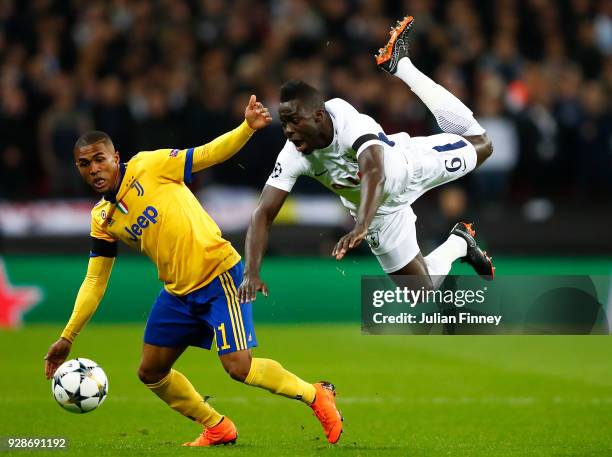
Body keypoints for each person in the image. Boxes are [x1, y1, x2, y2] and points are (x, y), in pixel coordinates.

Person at [43, 95, 343, 446]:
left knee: (239, 368)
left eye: (99, 159)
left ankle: (316, 394)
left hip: (218, 275)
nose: (94, 169)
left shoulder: (150, 166)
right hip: (177, 293)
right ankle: (216, 426)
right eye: (84, 164)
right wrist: (68, 337)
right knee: (151, 372)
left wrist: (247, 127)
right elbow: (95, 280)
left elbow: (207, 154)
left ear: (115, 158)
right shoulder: (102, 219)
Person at [237, 16, 495, 305]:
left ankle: (402, 66)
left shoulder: (347, 120)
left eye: (294, 121)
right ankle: (461, 242)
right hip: (379, 216)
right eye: (284, 123)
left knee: (482, 143)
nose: (288, 130)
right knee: (421, 294)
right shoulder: (294, 154)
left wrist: (360, 224)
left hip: (408, 169)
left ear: (318, 117)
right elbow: (263, 214)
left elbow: (375, 172)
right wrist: (251, 272)